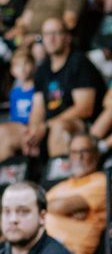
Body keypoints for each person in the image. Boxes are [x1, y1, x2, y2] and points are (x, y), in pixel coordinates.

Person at [25, 18, 105, 158]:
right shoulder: (42, 69)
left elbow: (84, 109)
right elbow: (37, 108)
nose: (51, 38)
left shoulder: (79, 62)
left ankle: (57, 171)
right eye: (46, 34)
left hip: (83, 125)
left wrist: (47, 125)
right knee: (4, 133)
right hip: (49, 125)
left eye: (56, 33)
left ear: (68, 37)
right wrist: (33, 129)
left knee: (59, 128)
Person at [45, 133, 106, 254]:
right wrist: (64, 209)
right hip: (44, 248)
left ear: (96, 155)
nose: (79, 157)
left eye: (84, 151)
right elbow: (38, 205)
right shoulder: (62, 186)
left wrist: (59, 207)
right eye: (74, 152)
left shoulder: (102, 181)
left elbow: (60, 206)